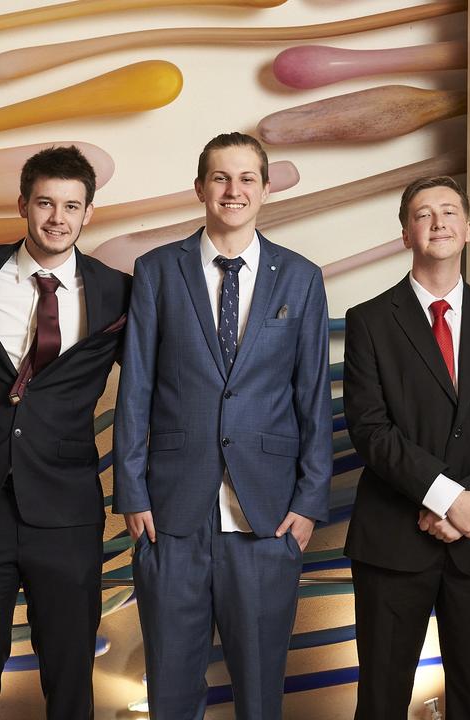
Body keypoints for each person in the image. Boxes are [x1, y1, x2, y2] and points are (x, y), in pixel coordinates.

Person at [113, 131, 332, 719]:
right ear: (200, 188)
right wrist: (132, 491)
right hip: (170, 515)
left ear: (265, 189)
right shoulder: (157, 270)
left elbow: (312, 395)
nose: (233, 191)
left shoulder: (301, 278)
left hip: (268, 516)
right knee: (171, 691)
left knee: (260, 696)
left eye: (246, 179)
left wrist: (310, 502)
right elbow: (135, 387)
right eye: (220, 178)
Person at [0, 145, 132, 720]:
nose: (57, 218)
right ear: (22, 205)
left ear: (88, 213)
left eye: (71, 205)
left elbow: (157, 383)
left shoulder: (117, 291)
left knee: (69, 681)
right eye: (44, 203)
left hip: (66, 510)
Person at [343, 176, 470, 719]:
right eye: (423, 214)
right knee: (381, 698)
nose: (438, 222)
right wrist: (445, 497)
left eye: (450, 212)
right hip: (392, 540)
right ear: (406, 232)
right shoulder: (369, 321)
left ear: (468, 228)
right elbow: (370, 428)